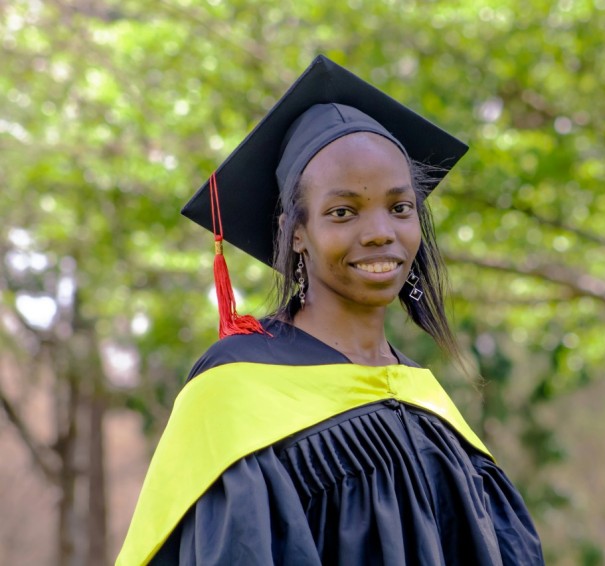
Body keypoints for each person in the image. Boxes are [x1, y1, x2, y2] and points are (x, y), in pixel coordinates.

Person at [118, 55, 543, 566]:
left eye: (400, 207)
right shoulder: (236, 394)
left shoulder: (432, 408)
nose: (380, 231)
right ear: (295, 231)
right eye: (342, 211)